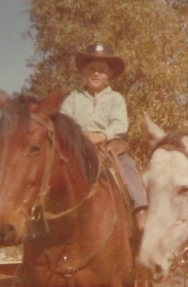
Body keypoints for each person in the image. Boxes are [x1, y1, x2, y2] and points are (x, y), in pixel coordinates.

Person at [61, 43, 147, 232]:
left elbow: (119, 124)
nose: (96, 74)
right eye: (92, 69)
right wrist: (80, 136)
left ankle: (140, 208)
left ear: (110, 75)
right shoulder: (73, 99)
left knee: (127, 167)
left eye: (102, 70)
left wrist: (102, 135)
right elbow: (63, 123)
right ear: (83, 71)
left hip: (108, 147)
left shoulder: (115, 98)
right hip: (78, 147)